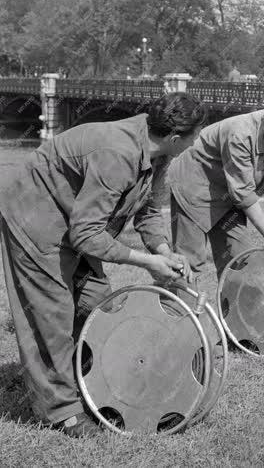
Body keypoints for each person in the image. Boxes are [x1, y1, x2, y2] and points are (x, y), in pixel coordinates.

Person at [0, 92, 206, 437]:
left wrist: (164, 250)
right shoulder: (118, 154)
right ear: (175, 138)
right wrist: (146, 262)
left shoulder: (158, 151)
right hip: (35, 216)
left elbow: (149, 210)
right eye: (195, 136)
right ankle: (63, 410)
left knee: (99, 303)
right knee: (53, 315)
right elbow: (85, 235)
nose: (196, 141)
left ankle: (93, 379)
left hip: (78, 219)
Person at [167, 95, 264, 286]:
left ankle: (231, 315)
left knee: (240, 260)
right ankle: (178, 312)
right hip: (193, 186)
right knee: (190, 264)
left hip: (228, 192)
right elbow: (243, 193)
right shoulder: (240, 132)